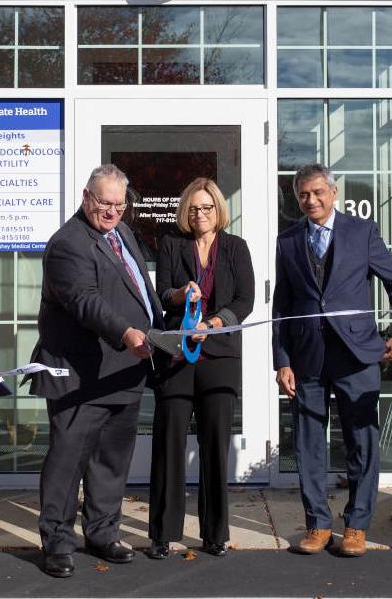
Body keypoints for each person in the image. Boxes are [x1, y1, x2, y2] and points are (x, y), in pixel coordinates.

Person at [28, 164, 164, 578]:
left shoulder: (121, 232)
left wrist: (163, 312)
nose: (112, 212)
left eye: (119, 205)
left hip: (124, 370)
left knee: (111, 461)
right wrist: (126, 333)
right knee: (67, 463)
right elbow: (85, 301)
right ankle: (56, 541)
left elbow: (138, 287)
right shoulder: (68, 243)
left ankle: (103, 533)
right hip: (79, 374)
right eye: (104, 203)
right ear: (87, 197)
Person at [272, 163, 392, 557]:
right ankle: (317, 524)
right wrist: (282, 360)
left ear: (333, 194)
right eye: (303, 194)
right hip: (307, 359)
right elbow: (282, 305)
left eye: (318, 192)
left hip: (357, 355)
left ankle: (357, 525)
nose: (311, 200)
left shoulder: (361, 232)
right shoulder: (288, 240)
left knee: (362, 442)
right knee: (309, 444)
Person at [147, 178, 255, 559]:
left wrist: (212, 324)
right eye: (193, 208)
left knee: (214, 446)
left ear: (218, 210)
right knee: (169, 443)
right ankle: (162, 533)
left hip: (220, 355)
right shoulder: (171, 244)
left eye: (207, 207)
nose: (200, 215)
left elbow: (245, 301)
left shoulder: (236, 248)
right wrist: (181, 294)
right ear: (184, 212)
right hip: (177, 355)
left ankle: (214, 534)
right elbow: (161, 294)